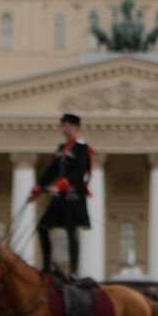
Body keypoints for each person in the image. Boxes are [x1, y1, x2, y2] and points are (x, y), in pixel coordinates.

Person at [28, 113, 92, 274]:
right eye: (62, 126)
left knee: (72, 230)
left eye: (66, 126)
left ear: (75, 127)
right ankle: (47, 265)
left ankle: (74, 270)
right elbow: (52, 170)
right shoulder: (61, 149)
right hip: (60, 196)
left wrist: (62, 185)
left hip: (73, 196)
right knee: (42, 226)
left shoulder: (81, 148)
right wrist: (37, 188)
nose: (63, 129)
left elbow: (80, 172)